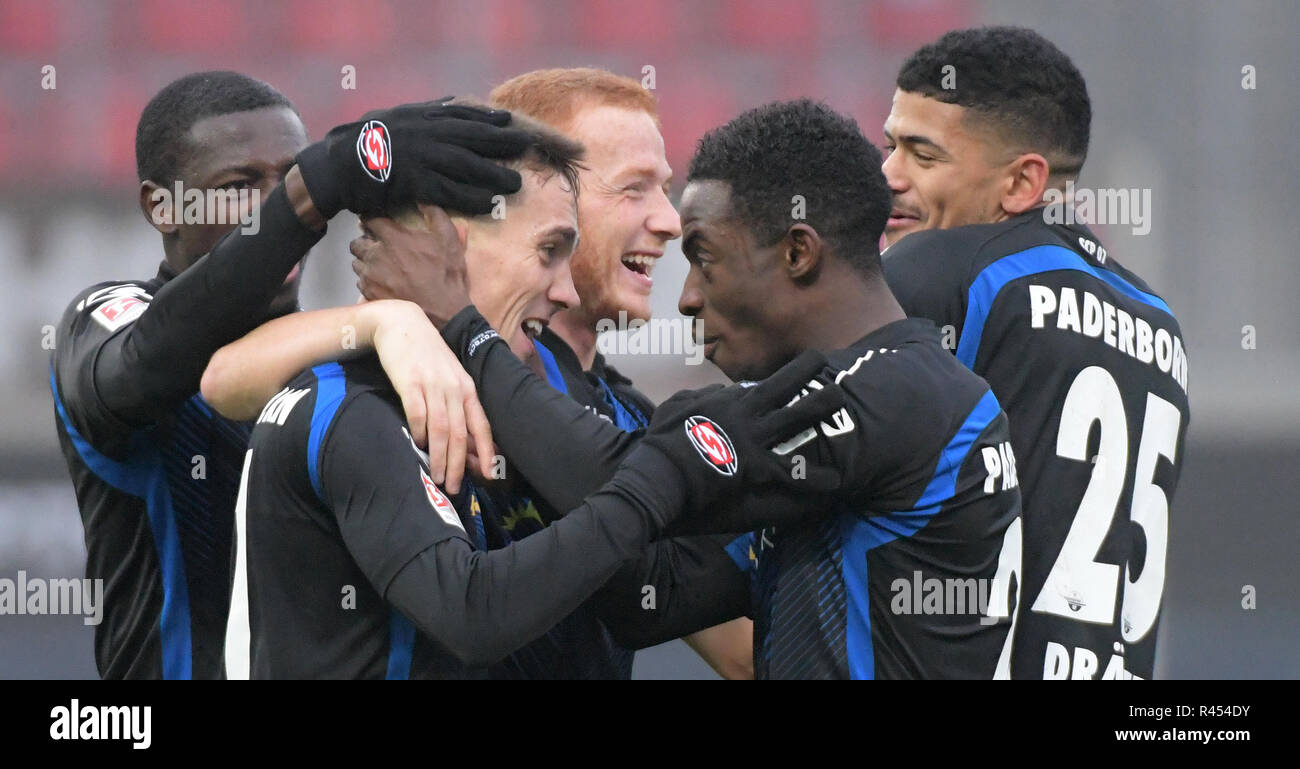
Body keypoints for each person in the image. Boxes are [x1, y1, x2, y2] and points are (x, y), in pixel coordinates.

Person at [408, 100, 1025, 679]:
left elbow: (623, 478)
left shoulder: (883, 393)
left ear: (797, 253)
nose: (688, 297)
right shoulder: (874, 415)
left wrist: (463, 328)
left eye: (705, 258)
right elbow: (653, 599)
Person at [216, 113, 844, 677]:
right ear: (449, 242)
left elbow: (667, 598)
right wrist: (653, 485)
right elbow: (470, 614)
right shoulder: (348, 407)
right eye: (548, 252)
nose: (566, 292)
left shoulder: (532, 394)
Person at [49, 70, 528, 678]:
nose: (278, 208)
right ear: (160, 206)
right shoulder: (108, 322)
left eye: (288, 178)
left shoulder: (360, 358)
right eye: (241, 185)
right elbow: (140, 370)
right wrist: (314, 191)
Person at [352, 68, 749, 678]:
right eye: (634, 188)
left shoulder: (629, 414)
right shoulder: (414, 379)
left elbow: (735, 650)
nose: (671, 220)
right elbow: (232, 374)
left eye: (665, 189)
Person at [879, 26, 1190, 679]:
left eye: (922, 154)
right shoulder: (1161, 324)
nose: (888, 176)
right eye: (890, 146)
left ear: (1022, 183)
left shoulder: (944, 271)